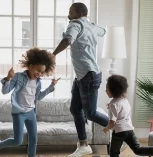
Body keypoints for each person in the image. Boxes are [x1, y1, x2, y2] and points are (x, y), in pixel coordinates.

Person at [52, 2, 108, 156]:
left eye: (71, 11)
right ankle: (84, 145)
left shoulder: (75, 24)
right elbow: (103, 31)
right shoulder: (90, 26)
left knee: (90, 113)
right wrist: (93, 27)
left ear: (79, 13)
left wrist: (53, 54)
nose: (69, 13)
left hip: (88, 76)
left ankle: (120, 128)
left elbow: (68, 40)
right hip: (83, 76)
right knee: (75, 109)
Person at [0, 48, 59, 157]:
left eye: (42, 72)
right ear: (31, 66)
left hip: (31, 112)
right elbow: (5, 91)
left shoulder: (38, 82)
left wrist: (51, 86)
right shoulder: (18, 77)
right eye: (38, 70)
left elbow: (39, 97)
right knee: (18, 141)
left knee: (33, 139)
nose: (39, 74)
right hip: (19, 113)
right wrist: (8, 78)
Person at [103, 75, 153, 157]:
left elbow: (112, 121)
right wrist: (111, 106)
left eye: (107, 89)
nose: (105, 91)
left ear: (113, 90)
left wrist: (106, 128)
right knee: (137, 149)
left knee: (114, 152)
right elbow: (121, 109)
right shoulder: (124, 100)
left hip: (119, 131)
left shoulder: (113, 104)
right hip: (129, 129)